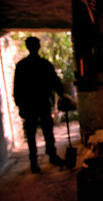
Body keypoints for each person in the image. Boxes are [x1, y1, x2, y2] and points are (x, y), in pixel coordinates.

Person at [14, 36, 65, 173]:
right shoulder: (43, 64)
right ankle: (42, 159)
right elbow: (18, 88)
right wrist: (61, 94)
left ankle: (40, 160)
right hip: (36, 104)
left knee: (39, 133)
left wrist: (61, 94)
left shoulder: (23, 65)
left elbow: (17, 88)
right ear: (38, 47)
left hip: (35, 104)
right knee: (41, 133)